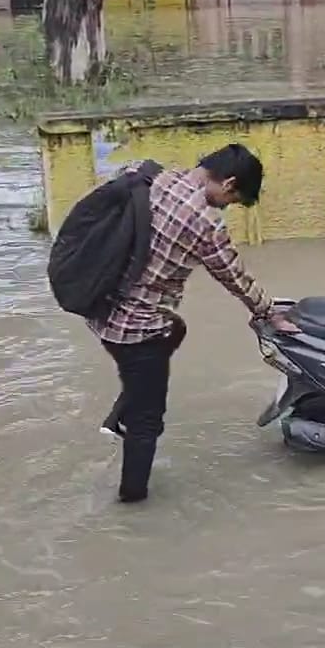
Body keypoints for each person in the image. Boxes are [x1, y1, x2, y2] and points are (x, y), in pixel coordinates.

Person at [93, 143, 298, 504]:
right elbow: (234, 277)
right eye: (231, 201)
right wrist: (269, 313)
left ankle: (121, 413)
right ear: (229, 183)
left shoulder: (146, 173)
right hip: (135, 329)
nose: (225, 207)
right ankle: (132, 506)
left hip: (97, 304)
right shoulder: (204, 222)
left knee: (176, 328)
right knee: (148, 423)